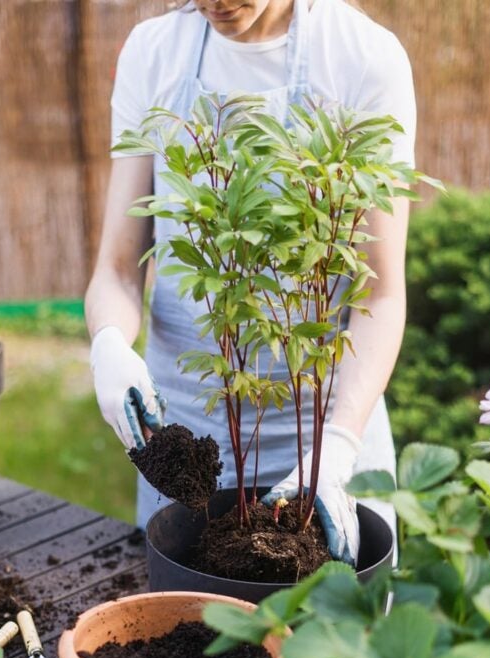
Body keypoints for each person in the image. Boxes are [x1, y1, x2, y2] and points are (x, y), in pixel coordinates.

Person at [84, 0, 416, 562]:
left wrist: (335, 449)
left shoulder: (361, 58)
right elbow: (117, 270)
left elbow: (380, 292)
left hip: (329, 434)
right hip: (187, 446)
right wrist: (109, 344)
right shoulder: (152, 54)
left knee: (337, 642)